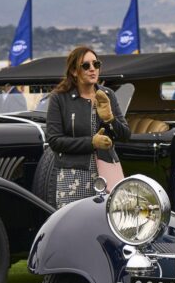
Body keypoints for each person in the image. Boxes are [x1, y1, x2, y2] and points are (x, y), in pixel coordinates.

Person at [46, 46, 130, 208]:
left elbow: (126, 135)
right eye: (86, 66)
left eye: (96, 64)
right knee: (73, 224)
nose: (92, 69)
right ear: (74, 71)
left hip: (107, 173)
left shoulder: (107, 94)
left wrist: (110, 119)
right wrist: (91, 142)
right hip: (73, 174)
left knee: (109, 223)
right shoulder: (59, 98)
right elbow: (55, 140)